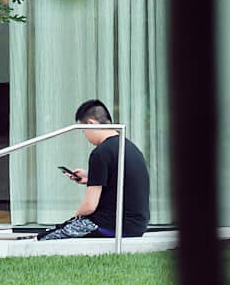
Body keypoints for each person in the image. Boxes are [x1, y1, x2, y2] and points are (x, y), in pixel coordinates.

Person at [39, 99, 150, 239]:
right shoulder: (129, 147)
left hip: (112, 225)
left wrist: (74, 219)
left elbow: (90, 206)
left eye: (83, 130)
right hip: (137, 226)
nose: (85, 135)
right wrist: (90, 178)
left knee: (44, 236)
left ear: (91, 124)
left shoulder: (100, 153)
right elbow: (120, 182)